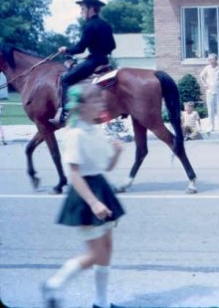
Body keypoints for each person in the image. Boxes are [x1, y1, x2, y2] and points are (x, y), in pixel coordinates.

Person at [42, 83, 124, 308]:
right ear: (81, 106)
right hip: (86, 194)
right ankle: (55, 284)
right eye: (95, 101)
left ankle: (101, 302)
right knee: (95, 254)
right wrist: (94, 202)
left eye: (100, 100)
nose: (101, 104)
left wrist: (116, 153)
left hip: (100, 187)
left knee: (107, 248)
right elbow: (74, 174)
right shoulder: (75, 134)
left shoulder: (95, 129)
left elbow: (106, 166)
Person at [50, 0, 116, 128]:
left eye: (83, 8)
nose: (81, 12)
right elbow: (112, 45)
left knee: (65, 79)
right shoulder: (106, 24)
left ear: (91, 9)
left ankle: (66, 113)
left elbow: (80, 48)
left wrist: (66, 49)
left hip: (95, 60)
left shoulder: (89, 25)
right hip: (104, 59)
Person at [199, 53, 219, 134]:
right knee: (210, 110)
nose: (210, 61)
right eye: (209, 60)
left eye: (212, 59)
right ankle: (211, 127)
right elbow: (201, 76)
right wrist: (205, 85)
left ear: (216, 59)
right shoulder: (207, 68)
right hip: (210, 91)